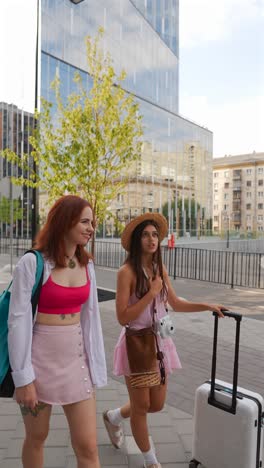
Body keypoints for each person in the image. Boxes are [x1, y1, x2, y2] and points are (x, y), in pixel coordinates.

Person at [103, 213, 226, 468]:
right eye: (146, 235)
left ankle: (113, 416)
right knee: (141, 407)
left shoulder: (159, 269)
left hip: (160, 344)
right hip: (137, 345)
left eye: (155, 235)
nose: (151, 239)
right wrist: (151, 294)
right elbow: (122, 316)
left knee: (155, 405)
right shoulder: (125, 272)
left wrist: (207, 305)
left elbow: (176, 303)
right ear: (137, 240)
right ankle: (150, 460)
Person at [8, 195, 107, 468]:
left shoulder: (87, 265)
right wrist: (23, 378)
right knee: (37, 437)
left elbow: (91, 321)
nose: (91, 228)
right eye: (84, 221)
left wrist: (95, 365)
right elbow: (17, 322)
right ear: (65, 221)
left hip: (76, 365)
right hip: (38, 367)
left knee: (88, 446)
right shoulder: (32, 263)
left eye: (92, 222)